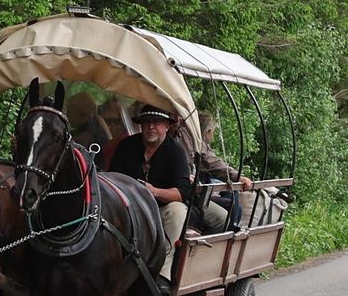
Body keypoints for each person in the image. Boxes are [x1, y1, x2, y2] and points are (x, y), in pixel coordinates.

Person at [108, 105, 191, 282]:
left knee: (178, 211)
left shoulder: (176, 152)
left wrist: (153, 192)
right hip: (127, 210)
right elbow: (112, 177)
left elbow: (182, 191)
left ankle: (162, 273)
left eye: (156, 123)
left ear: (166, 127)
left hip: (160, 212)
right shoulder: (126, 146)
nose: (150, 127)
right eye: (146, 123)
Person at [174, 112, 253, 233]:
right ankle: (222, 242)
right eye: (213, 133)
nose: (213, 137)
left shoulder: (190, 137)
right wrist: (236, 176)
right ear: (208, 132)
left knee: (230, 201)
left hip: (192, 191)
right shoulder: (192, 139)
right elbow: (210, 162)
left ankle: (227, 235)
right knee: (230, 208)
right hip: (187, 193)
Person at [66, 91, 111, 160]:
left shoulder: (83, 137)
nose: (67, 115)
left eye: (69, 111)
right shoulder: (99, 123)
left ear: (82, 114)